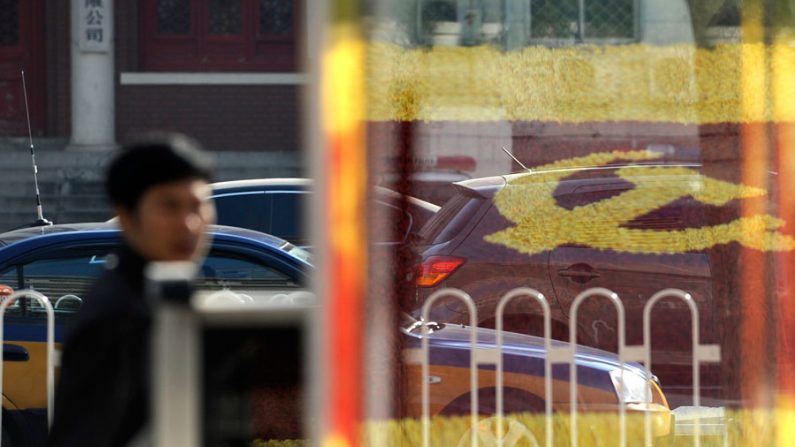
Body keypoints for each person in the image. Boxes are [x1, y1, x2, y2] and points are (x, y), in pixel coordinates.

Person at [47, 132, 215, 447]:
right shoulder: (117, 316)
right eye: (169, 206)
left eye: (198, 206)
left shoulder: (161, 294)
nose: (189, 224)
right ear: (125, 216)